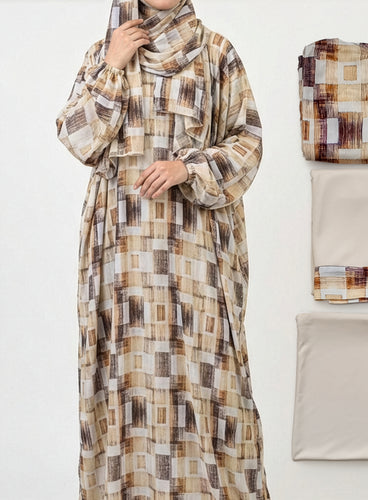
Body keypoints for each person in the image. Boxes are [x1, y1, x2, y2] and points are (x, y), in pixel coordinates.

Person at [55, 0, 271, 497]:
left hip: (195, 251)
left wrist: (188, 168)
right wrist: (112, 66)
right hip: (120, 253)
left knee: (211, 384)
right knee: (124, 381)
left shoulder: (216, 53)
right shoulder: (103, 54)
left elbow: (248, 143)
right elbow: (79, 140)